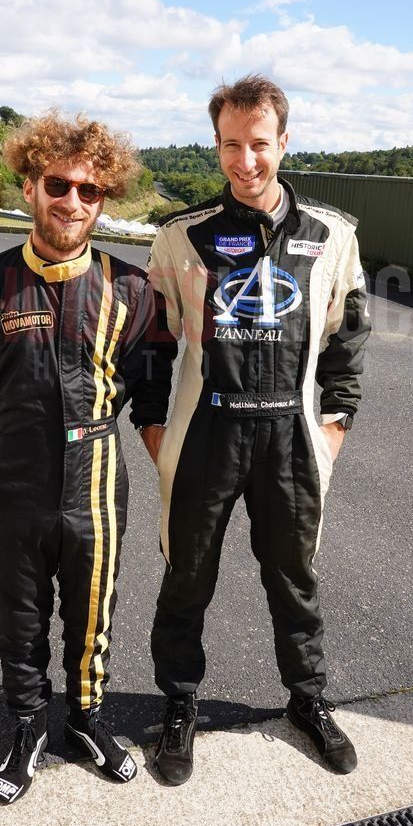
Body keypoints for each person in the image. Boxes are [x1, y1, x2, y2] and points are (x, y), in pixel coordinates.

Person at [133, 74, 371, 784]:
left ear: (284, 142)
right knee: (187, 577)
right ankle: (179, 703)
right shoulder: (183, 236)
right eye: (231, 145)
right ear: (216, 145)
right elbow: (152, 342)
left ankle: (307, 700)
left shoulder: (332, 235)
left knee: (294, 579)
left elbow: (348, 336)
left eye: (259, 144)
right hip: (206, 433)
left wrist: (336, 421)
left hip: (290, 438)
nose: (246, 161)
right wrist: (152, 425)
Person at [0, 112, 168, 805]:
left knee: (93, 612)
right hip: (11, 478)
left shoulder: (133, 290)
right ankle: (26, 726)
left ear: (105, 197)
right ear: (29, 185)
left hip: (96, 480)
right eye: (58, 184)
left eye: (89, 189)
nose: (72, 201)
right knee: (20, 614)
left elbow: (147, 388)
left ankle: (86, 719)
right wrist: (30, 431)